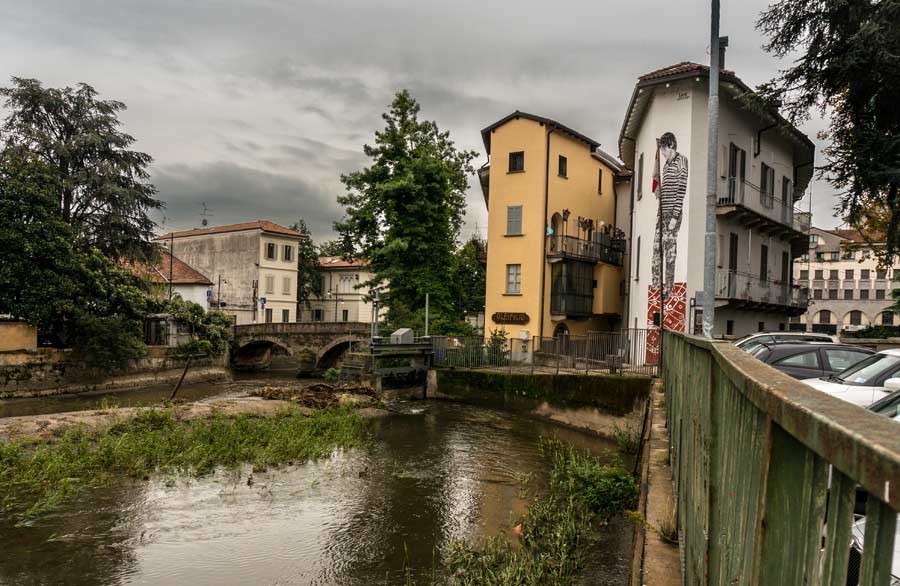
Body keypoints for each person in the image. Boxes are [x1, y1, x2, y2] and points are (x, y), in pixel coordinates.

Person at [651, 132, 689, 296]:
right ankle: (656, 285)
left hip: (673, 214)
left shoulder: (682, 161)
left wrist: (674, 216)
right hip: (662, 213)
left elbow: (681, 190)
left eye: (664, 149)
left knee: (669, 252)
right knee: (656, 249)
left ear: (671, 145)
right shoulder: (665, 165)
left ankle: (668, 288)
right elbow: (664, 189)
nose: (663, 153)